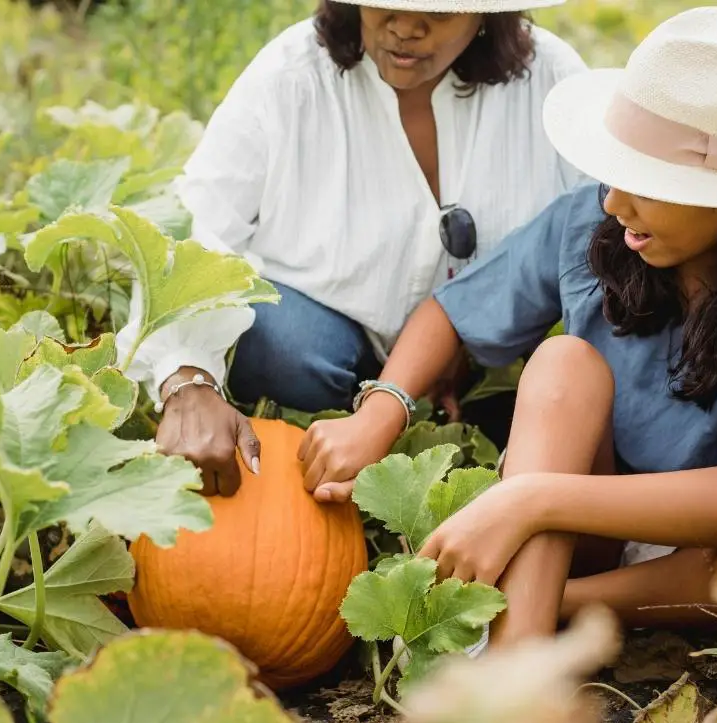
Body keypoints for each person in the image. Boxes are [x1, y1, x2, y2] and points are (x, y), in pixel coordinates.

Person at [299, 6, 717, 647]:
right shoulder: (594, 221)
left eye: (649, 184)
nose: (615, 202)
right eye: (617, 173)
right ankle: (518, 656)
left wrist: (529, 499)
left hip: (707, 552)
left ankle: (542, 605)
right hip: (585, 517)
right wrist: (383, 409)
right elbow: (451, 311)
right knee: (565, 362)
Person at [114, 0, 588, 497]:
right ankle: (349, 430)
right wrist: (186, 376)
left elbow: (600, 232)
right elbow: (200, 224)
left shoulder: (550, 81)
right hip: (328, 346)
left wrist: (472, 339)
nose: (405, 27)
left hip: (488, 360)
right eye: (383, 3)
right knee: (277, 344)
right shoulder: (289, 76)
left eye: (440, 13)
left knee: (549, 380)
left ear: (486, 12)